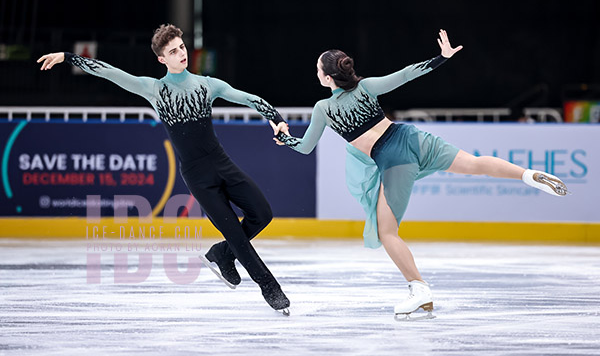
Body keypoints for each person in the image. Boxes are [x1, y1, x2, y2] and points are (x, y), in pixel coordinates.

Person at [272, 29, 568, 320]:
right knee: (474, 164)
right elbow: (406, 74)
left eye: (317, 70)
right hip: (412, 137)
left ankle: (420, 290)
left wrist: (283, 136)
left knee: (385, 232)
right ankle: (528, 175)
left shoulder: (324, 108)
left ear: (326, 76)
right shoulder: (367, 87)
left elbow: (305, 147)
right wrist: (441, 58)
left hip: (393, 159)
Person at [38, 24, 291, 314]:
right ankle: (270, 288)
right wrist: (67, 57)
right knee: (235, 234)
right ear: (162, 59)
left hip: (222, 164)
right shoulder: (154, 90)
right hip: (197, 176)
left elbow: (248, 98)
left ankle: (221, 253)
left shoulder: (207, 85)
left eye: (181, 47)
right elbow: (109, 72)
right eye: (173, 51)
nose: (181, 54)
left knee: (263, 214)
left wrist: (276, 118)